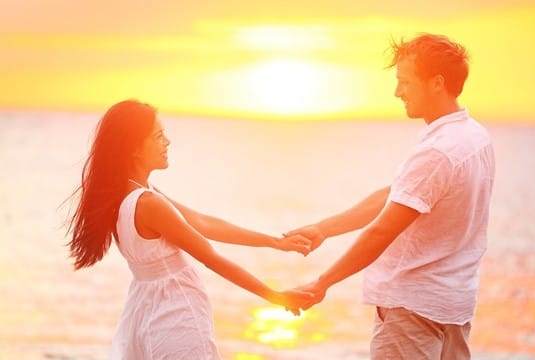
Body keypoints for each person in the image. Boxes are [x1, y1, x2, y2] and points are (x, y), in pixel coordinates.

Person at [285, 33, 496, 359]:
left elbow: (383, 230)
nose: (398, 92)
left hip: (412, 311)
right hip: (452, 306)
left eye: (405, 82)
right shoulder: (474, 137)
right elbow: (399, 195)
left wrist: (321, 282)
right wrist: (325, 229)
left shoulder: (438, 151)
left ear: (437, 83)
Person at [64, 99, 313, 359]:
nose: (167, 142)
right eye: (159, 136)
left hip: (145, 314)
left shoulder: (125, 196)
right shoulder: (149, 204)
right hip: (176, 315)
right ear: (134, 149)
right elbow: (211, 257)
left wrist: (274, 242)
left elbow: (202, 223)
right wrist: (276, 296)